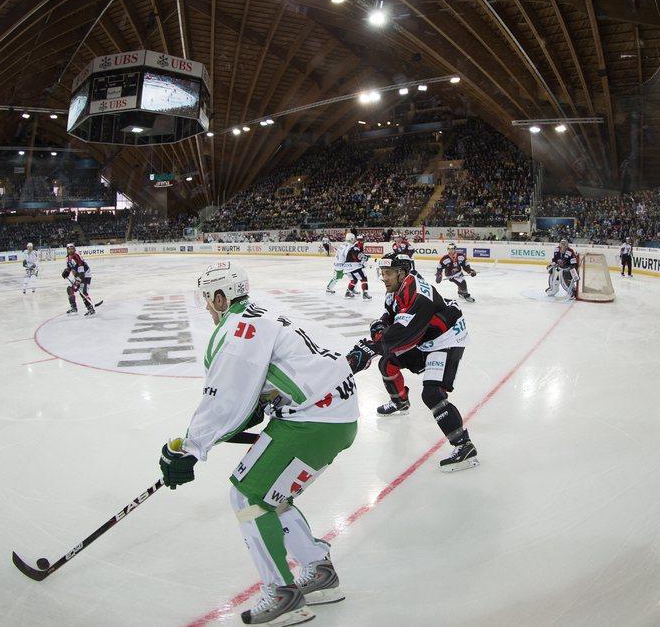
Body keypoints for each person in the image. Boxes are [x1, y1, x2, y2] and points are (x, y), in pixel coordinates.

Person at [158, 261, 359, 625]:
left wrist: (189, 448)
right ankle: (319, 572)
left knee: (247, 495)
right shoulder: (263, 315)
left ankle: (283, 596)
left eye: (208, 298)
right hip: (337, 416)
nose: (207, 306)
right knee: (272, 495)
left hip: (313, 420)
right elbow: (258, 395)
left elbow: (226, 399)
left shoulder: (236, 329)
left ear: (221, 296)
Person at [346, 252, 478, 472]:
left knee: (432, 393)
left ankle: (464, 446)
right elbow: (389, 318)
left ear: (402, 272)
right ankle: (400, 401)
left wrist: (374, 346)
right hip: (426, 336)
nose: (383, 278)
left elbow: (405, 333)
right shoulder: (395, 291)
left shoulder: (418, 293)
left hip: (446, 339)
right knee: (387, 363)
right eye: (382, 273)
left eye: (387, 273)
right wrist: (378, 327)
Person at [61, 243, 95, 316]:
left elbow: (82, 272)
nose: (70, 250)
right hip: (77, 275)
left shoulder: (77, 256)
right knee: (69, 289)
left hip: (85, 275)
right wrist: (66, 272)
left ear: (74, 249)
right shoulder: (68, 257)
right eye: (69, 249)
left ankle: (90, 309)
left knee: (83, 292)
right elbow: (70, 267)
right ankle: (74, 308)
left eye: (72, 248)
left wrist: (77, 282)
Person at [342, 236, 371, 300]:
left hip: (347, 267)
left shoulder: (356, 247)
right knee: (364, 279)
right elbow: (358, 256)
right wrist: (365, 257)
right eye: (362, 241)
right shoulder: (356, 247)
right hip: (354, 266)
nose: (363, 243)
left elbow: (358, 256)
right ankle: (365, 294)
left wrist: (364, 257)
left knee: (354, 280)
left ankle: (348, 292)